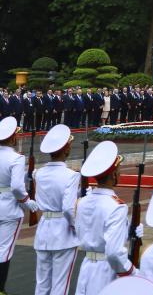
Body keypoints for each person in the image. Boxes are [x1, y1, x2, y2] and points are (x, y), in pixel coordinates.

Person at [75, 140, 141, 294]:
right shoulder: (116, 207)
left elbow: (83, 231)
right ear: (113, 175)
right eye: (118, 170)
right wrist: (131, 272)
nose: (120, 173)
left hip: (86, 266)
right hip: (106, 271)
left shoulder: (83, 202)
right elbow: (114, 251)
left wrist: (129, 229)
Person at [34, 124, 81, 295]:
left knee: (42, 284)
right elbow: (69, 209)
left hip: (43, 230)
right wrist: (78, 228)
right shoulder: (71, 175)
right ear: (66, 149)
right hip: (63, 232)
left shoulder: (39, 173)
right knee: (60, 285)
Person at [0, 116, 34, 292]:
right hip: (9, 208)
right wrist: (26, 201)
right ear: (13, 138)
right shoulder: (16, 158)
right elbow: (17, 187)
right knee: (4, 250)